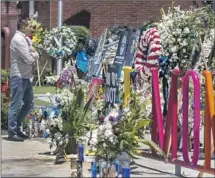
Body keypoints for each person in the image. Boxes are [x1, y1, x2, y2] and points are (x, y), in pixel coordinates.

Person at [8, 18, 39, 141]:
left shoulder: (26, 39)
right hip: (18, 76)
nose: (32, 28)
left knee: (29, 103)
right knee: (15, 105)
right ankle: (12, 132)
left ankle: (17, 127)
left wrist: (33, 53)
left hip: (26, 76)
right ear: (22, 26)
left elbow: (33, 52)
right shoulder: (18, 40)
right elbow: (29, 59)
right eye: (29, 26)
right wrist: (34, 54)